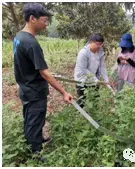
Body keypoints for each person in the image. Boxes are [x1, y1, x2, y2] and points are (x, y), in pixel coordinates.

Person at [13, 3, 73, 153]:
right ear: (33, 19)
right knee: (34, 122)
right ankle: (35, 154)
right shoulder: (32, 43)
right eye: (45, 20)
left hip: (25, 88)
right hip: (34, 91)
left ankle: (37, 140)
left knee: (31, 119)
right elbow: (44, 73)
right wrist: (64, 92)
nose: (46, 25)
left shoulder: (19, 36)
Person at [74, 33, 111, 107]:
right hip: (82, 80)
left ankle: (94, 117)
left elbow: (102, 66)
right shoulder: (83, 53)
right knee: (82, 102)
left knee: (95, 100)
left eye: (101, 44)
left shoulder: (100, 52)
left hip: (94, 80)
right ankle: (81, 117)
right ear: (91, 42)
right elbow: (84, 70)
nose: (100, 46)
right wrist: (96, 80)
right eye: (98, 44)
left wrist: (106, 80)